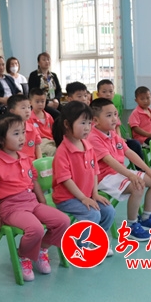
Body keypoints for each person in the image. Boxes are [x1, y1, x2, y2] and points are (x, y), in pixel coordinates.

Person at [0, 114, 70, 282]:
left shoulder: (25, 158)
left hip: (31, 201)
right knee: (35, 229)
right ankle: (23, 256)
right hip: (11, 206)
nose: (22, 137)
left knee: (63, 221)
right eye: (16, 134)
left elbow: (34, 181)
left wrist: (42, 202)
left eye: (22, 132)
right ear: (0, 139)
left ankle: (41, 249)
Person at [88, 98, 151, 242]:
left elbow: (128, 152)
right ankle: (131, 225)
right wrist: (131, 175)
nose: (114, 119)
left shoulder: (113, 134)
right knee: (137, 186)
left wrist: (148, 169)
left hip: (119, 173)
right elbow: (109, 161)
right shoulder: (93, 137)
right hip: (104, 177)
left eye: (115, 114)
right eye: (109, 115)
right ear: (95, 120)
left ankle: (146, 217)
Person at [51, 101, 115, 255]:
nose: (87, 127)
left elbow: (94, 171)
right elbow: (66, 180)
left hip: (85, 195)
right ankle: (81, 245)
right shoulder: (62, 152)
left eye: (89, 123)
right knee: (92, 214)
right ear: (67, 124)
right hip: (66, 199)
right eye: (82, 123)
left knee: (109, 211)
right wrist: (83, 198)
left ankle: (95, 239)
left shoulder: (88, 146)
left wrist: (94, 194)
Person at [95, 79, 145, 162]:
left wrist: (119, 138)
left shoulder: (113, 108)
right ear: (98, 94)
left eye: (110, 91)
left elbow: (117, 126)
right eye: (104, 92)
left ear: (114, 93)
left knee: (135, 144)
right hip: (104, 142)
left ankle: (141, 168)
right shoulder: (95, 109)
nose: (108, 94)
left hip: (116, 139)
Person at [8, 94, 42, 162]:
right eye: (23, 108)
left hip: (32, 163)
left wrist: (40, 161)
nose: (27, 111)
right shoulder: (8, 130)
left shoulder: (32, 128)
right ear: (12, 111)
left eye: (29, 107)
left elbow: (37, 147)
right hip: (17, 163)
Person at [28, 52, 61, 118]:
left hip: (55, 102)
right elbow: (33, 92)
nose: (47, 61)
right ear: (38, 62)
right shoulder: (34, 75)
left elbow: (59, 90)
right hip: (41, 103)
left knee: (67, 112)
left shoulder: (53, 75)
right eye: (44, 60)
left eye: (48, 59)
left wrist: (56, 99)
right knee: (58, 114)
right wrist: (47, 102)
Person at [29, 88, 56, 157]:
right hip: (40, 142)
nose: (40, 104)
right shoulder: (29, 118)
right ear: (30, 102)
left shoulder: (49, 116)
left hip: (52, 140)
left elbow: (54, 130)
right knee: (55, 151)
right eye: (37, 102)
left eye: (42, 101)